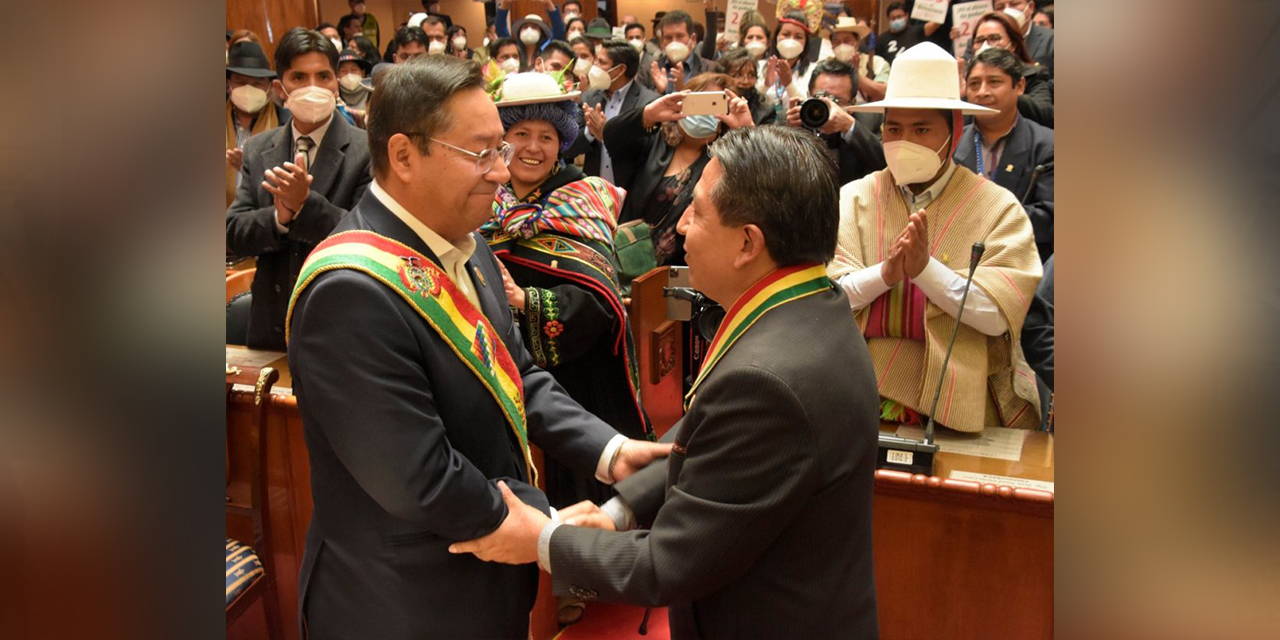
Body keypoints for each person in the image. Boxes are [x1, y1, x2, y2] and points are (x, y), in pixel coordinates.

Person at [285, 55, 670, 639]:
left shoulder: (467, 242)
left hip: (484, 583)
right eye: (482, 152)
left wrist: (609, 449)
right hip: (404, 602)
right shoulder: (351, 290)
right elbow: (421, 477)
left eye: (503, 151)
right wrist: (549, 529)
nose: (500, 171)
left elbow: (516, 371)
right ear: (404, 156)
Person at [450, 125, 882, 640]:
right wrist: (619, 508)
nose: (679, 227)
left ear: (748, 243)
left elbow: (665, 565)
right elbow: (716, 452)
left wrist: (542, 539)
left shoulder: (767, 379)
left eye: (696, 212)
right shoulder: (810, 304)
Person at [482, 70, 654, 624]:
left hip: (571, 377)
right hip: (494, 361)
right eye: (521, 134)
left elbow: (602, 304)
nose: (533, 148)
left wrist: (527, 302)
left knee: (569, 469)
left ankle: (575, 575)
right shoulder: (486, 196)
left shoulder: (582, 196)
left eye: (547, 137)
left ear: (563, 143)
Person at [831, 42, 1043, 432]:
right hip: (858, 388)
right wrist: (886, 275)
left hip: (966, 394)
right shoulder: (854, 196)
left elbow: (998, 316)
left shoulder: (999, 207)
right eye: (893, 128)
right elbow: (827, 299)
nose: (903, 140)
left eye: (921, 129)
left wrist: (925, 271)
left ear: (956, 131)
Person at [226, 28, 372, 352]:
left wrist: (305, 206)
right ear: (280, 88)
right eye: (299, 77)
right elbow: (233, 231)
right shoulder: (259, 147)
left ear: (336, 83)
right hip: (271, 327)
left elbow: (367, 236)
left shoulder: (366, 149)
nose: (313, 88)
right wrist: (278, 218)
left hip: (343, 327)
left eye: (323, 76)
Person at [606, 73, 753, 266]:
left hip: (682, 268)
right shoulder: (654, 142)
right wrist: (648, 114)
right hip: (623, 259)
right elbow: (611, 135)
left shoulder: (724, 161)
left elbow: (761, 182)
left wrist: (747, 130)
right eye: (700, 102)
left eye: (713, 105)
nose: (704, 114)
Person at [954, 48, 1054, 260]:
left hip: (1021, 263)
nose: (982, 92)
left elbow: (1050, 220)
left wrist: (989, 207)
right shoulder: (952, 143)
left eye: (994, 82)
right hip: (956, 259)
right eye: (974, 84)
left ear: (1019, 86)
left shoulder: (1048, 145)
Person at [563, 39, 660, 182]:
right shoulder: (589, 98)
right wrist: (590, 132)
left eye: (602, 62)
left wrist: (607, 135)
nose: (595, 66)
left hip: (631, 192)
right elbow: (568, 147)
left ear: (620, 70)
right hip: (594, 194)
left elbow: (648, 152)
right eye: (595, 60)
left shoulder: (648, 103)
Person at [786, 58, 886, 185]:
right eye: (821, 97)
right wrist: (790, 135)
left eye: (838, 101)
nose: (830, 106)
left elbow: (885, 165)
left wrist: (850, 127)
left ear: (852, 103)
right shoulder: (800, 119)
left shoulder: (868, 120)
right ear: (808, 95)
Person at [964, 12, 1053, 128]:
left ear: (1013, 44)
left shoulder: (1032, 74)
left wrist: (1009, 94)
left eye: (995, 38)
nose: (986, 45)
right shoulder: (966, 78)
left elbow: (1046, 116)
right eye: (979, 40)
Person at [226, 41, 288, 207]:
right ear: (228, 85)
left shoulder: (287, 123)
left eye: (257, 84)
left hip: (264, 219)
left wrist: (250, 168)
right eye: (240, 82)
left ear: (269, 87)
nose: (248, 90)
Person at [637, 11, 713, 95]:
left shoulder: (709, 69)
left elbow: (715, 105)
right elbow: (639, 106)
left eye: (680, 36)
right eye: (668, 38)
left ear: (693, 39)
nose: (674, 42)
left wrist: (683, 90)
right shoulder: (647, 71)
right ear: (662, 42)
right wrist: (659, 92)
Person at [757, 10, 817, 111]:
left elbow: (812, 108)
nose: (791, 40)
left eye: (798, 37)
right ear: (776, 37)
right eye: (786, 34)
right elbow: (749, 102)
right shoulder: (759, 66)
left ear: (806, 42)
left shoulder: (813, 71)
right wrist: (765, 85)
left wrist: (789, 84)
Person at [829, 16, 889, 104]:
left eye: (847, 40)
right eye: (836, 42)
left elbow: (883, 93)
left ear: (858, 42)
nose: (842, 45)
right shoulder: (825, 66)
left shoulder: (877, 63)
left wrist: (856, 75)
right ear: (832, 46)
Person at [715, 48, 774, 125]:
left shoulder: (766, 108)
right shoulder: (713, 101)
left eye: (751, 75)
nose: (745, 81)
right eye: (738, 75)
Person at [875, 1, 943, 64]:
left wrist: (943, 4)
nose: (896, 20)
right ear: (888, 19)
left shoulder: (916, 31)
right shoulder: (882, 39)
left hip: (913, 72)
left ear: (906, 16)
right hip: (891, 75)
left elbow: (937, 22)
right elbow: (877, 62)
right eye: (893, 18)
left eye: (899, 17)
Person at [999, 0, 1053, 74]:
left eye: (1014, 4)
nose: (1007, 10)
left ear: (1031, 7)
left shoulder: (1052, 39)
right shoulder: (991, 42)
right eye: (1000, 7)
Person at [336, 48, 373, 127]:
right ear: (336, 75)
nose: (349, 75)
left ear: (362, 73)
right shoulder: (334, 98)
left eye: (354, 70)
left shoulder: (372, 95)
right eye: (343, 71)